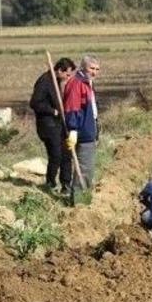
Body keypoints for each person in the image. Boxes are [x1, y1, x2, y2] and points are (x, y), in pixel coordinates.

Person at [29, 57, 76, 193]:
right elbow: (35, 103)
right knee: (56, 154)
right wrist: (53, 111)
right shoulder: (44, 81)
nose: (68, 77)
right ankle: (50, 183)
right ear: (60, 70)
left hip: (60, 124)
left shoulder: (57, 81)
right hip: (48, 125)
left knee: (67, 153)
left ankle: (66, 184)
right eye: (67, 74)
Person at [64, 54, 100, 196]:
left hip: (89, 131)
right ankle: (78, 199)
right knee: (85, 168)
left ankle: (81, 195)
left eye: (97, 69)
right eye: (92, 68)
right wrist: (73, 129)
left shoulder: (87, 83)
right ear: (83, 67)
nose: (94, 72)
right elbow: (72, 107)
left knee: (87, 168)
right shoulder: (77, 84)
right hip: (82, 133)